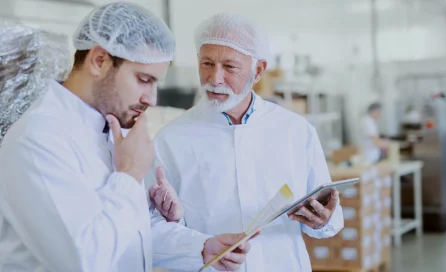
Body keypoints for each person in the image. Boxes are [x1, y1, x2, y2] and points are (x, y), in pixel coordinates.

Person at [0, 3, 253, 272]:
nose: (151, 99)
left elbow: (127, 232)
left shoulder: (108, 129)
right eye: (144, 79)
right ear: (99, 61)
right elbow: (85, 258)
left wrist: (199, 247)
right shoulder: (38, 140)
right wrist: (129, 176)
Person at [147, 12, 344, 272]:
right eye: (207, 63)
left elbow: (331, 215)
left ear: (258, 70)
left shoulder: (296, 131)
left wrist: (322, 221)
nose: (215, 78)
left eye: (229, 67)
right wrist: (200, 246)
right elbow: (151, 228)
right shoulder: (170, 139)